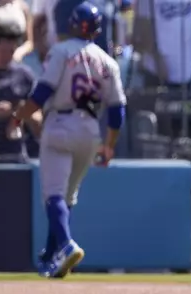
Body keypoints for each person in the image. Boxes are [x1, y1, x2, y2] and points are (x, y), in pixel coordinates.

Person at [7, 1, 126, 279]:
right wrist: (108, 144)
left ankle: (66, 244)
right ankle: (52, 257)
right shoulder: (108, 60)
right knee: (65, 197)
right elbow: (117, 109)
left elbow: (42, 92)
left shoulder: (60, 51)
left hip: (60, 123)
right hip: (90, 131)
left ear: (71, 24)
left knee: (53, 196)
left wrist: (19, 116)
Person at [0, 21, 42, 163]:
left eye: (12, 50)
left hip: (16, 155)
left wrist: (20, 113)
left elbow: (39, 120)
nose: (9, 55)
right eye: (4, 51)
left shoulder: (24, 76)